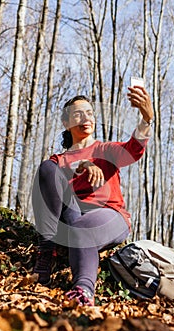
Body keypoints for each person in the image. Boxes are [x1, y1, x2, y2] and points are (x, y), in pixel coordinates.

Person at [32, 84, 154, 306]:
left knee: (84, 227)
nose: (85, 117)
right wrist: (82, 164)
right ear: (66, 123)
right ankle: (46, 252)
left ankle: (83, 290)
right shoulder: (58, 160)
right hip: (71, 217)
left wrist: (146, 120)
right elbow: (50, 184)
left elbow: (134, 150)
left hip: (109, 216)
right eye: (78, 113)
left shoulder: (105, 150)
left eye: (89, 112)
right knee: (47, 169)